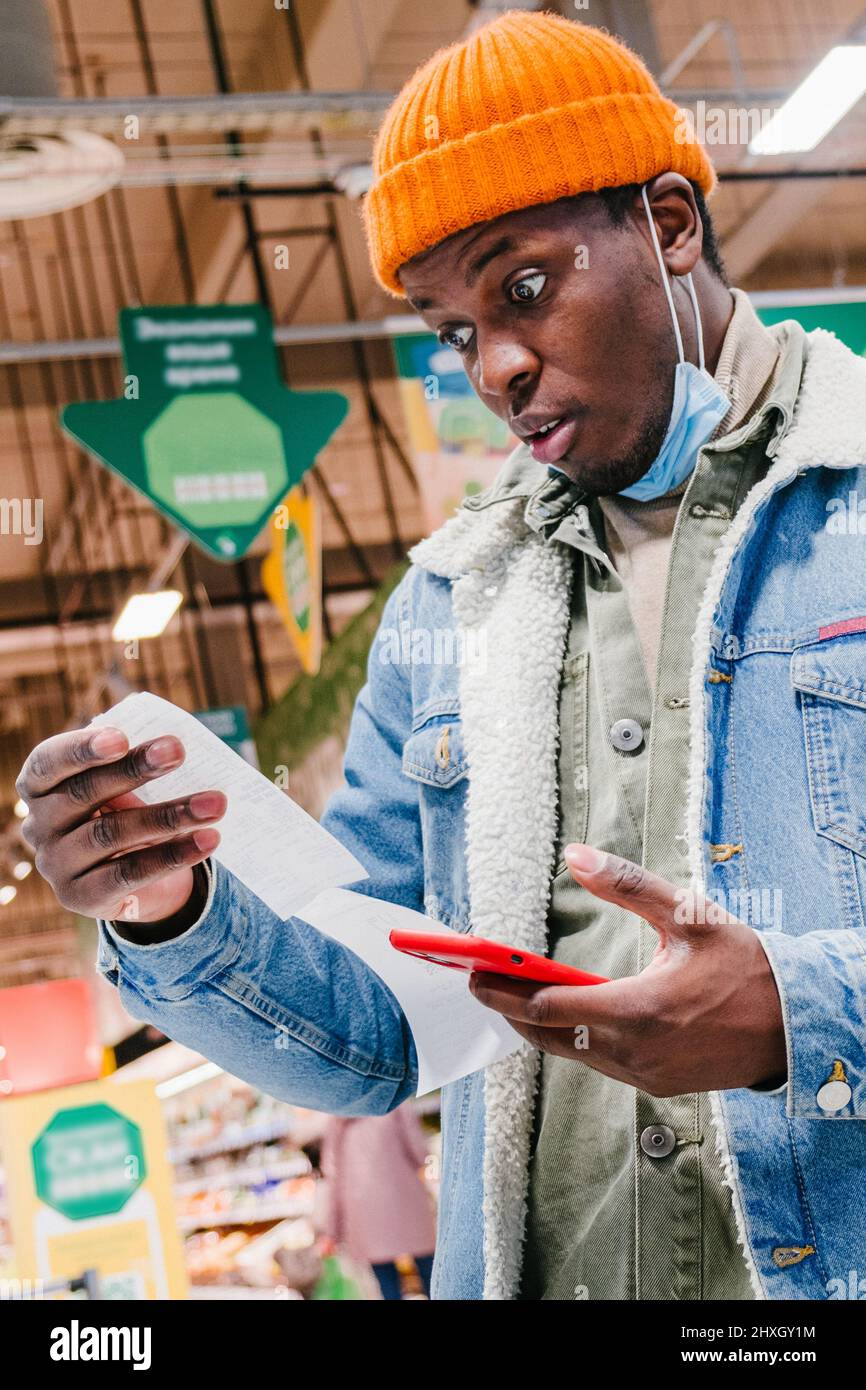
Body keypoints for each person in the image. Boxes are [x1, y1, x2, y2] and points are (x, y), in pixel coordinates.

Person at [18, 11, 866, 1301]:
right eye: (454, 332)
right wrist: (168, 906)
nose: (498, 366)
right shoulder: (448, 604)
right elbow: (376, 1029)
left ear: (671, 224)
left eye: (521, 287)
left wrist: (802, 1016)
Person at [320, 1106, 436, 1300]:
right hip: (406, 1201)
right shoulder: (395, 1101)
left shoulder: (339, 1116)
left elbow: (333, 1175)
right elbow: (419, 1151)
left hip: (363, 1214)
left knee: (387, 1285)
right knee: (431, 1275)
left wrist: (332, 1231)